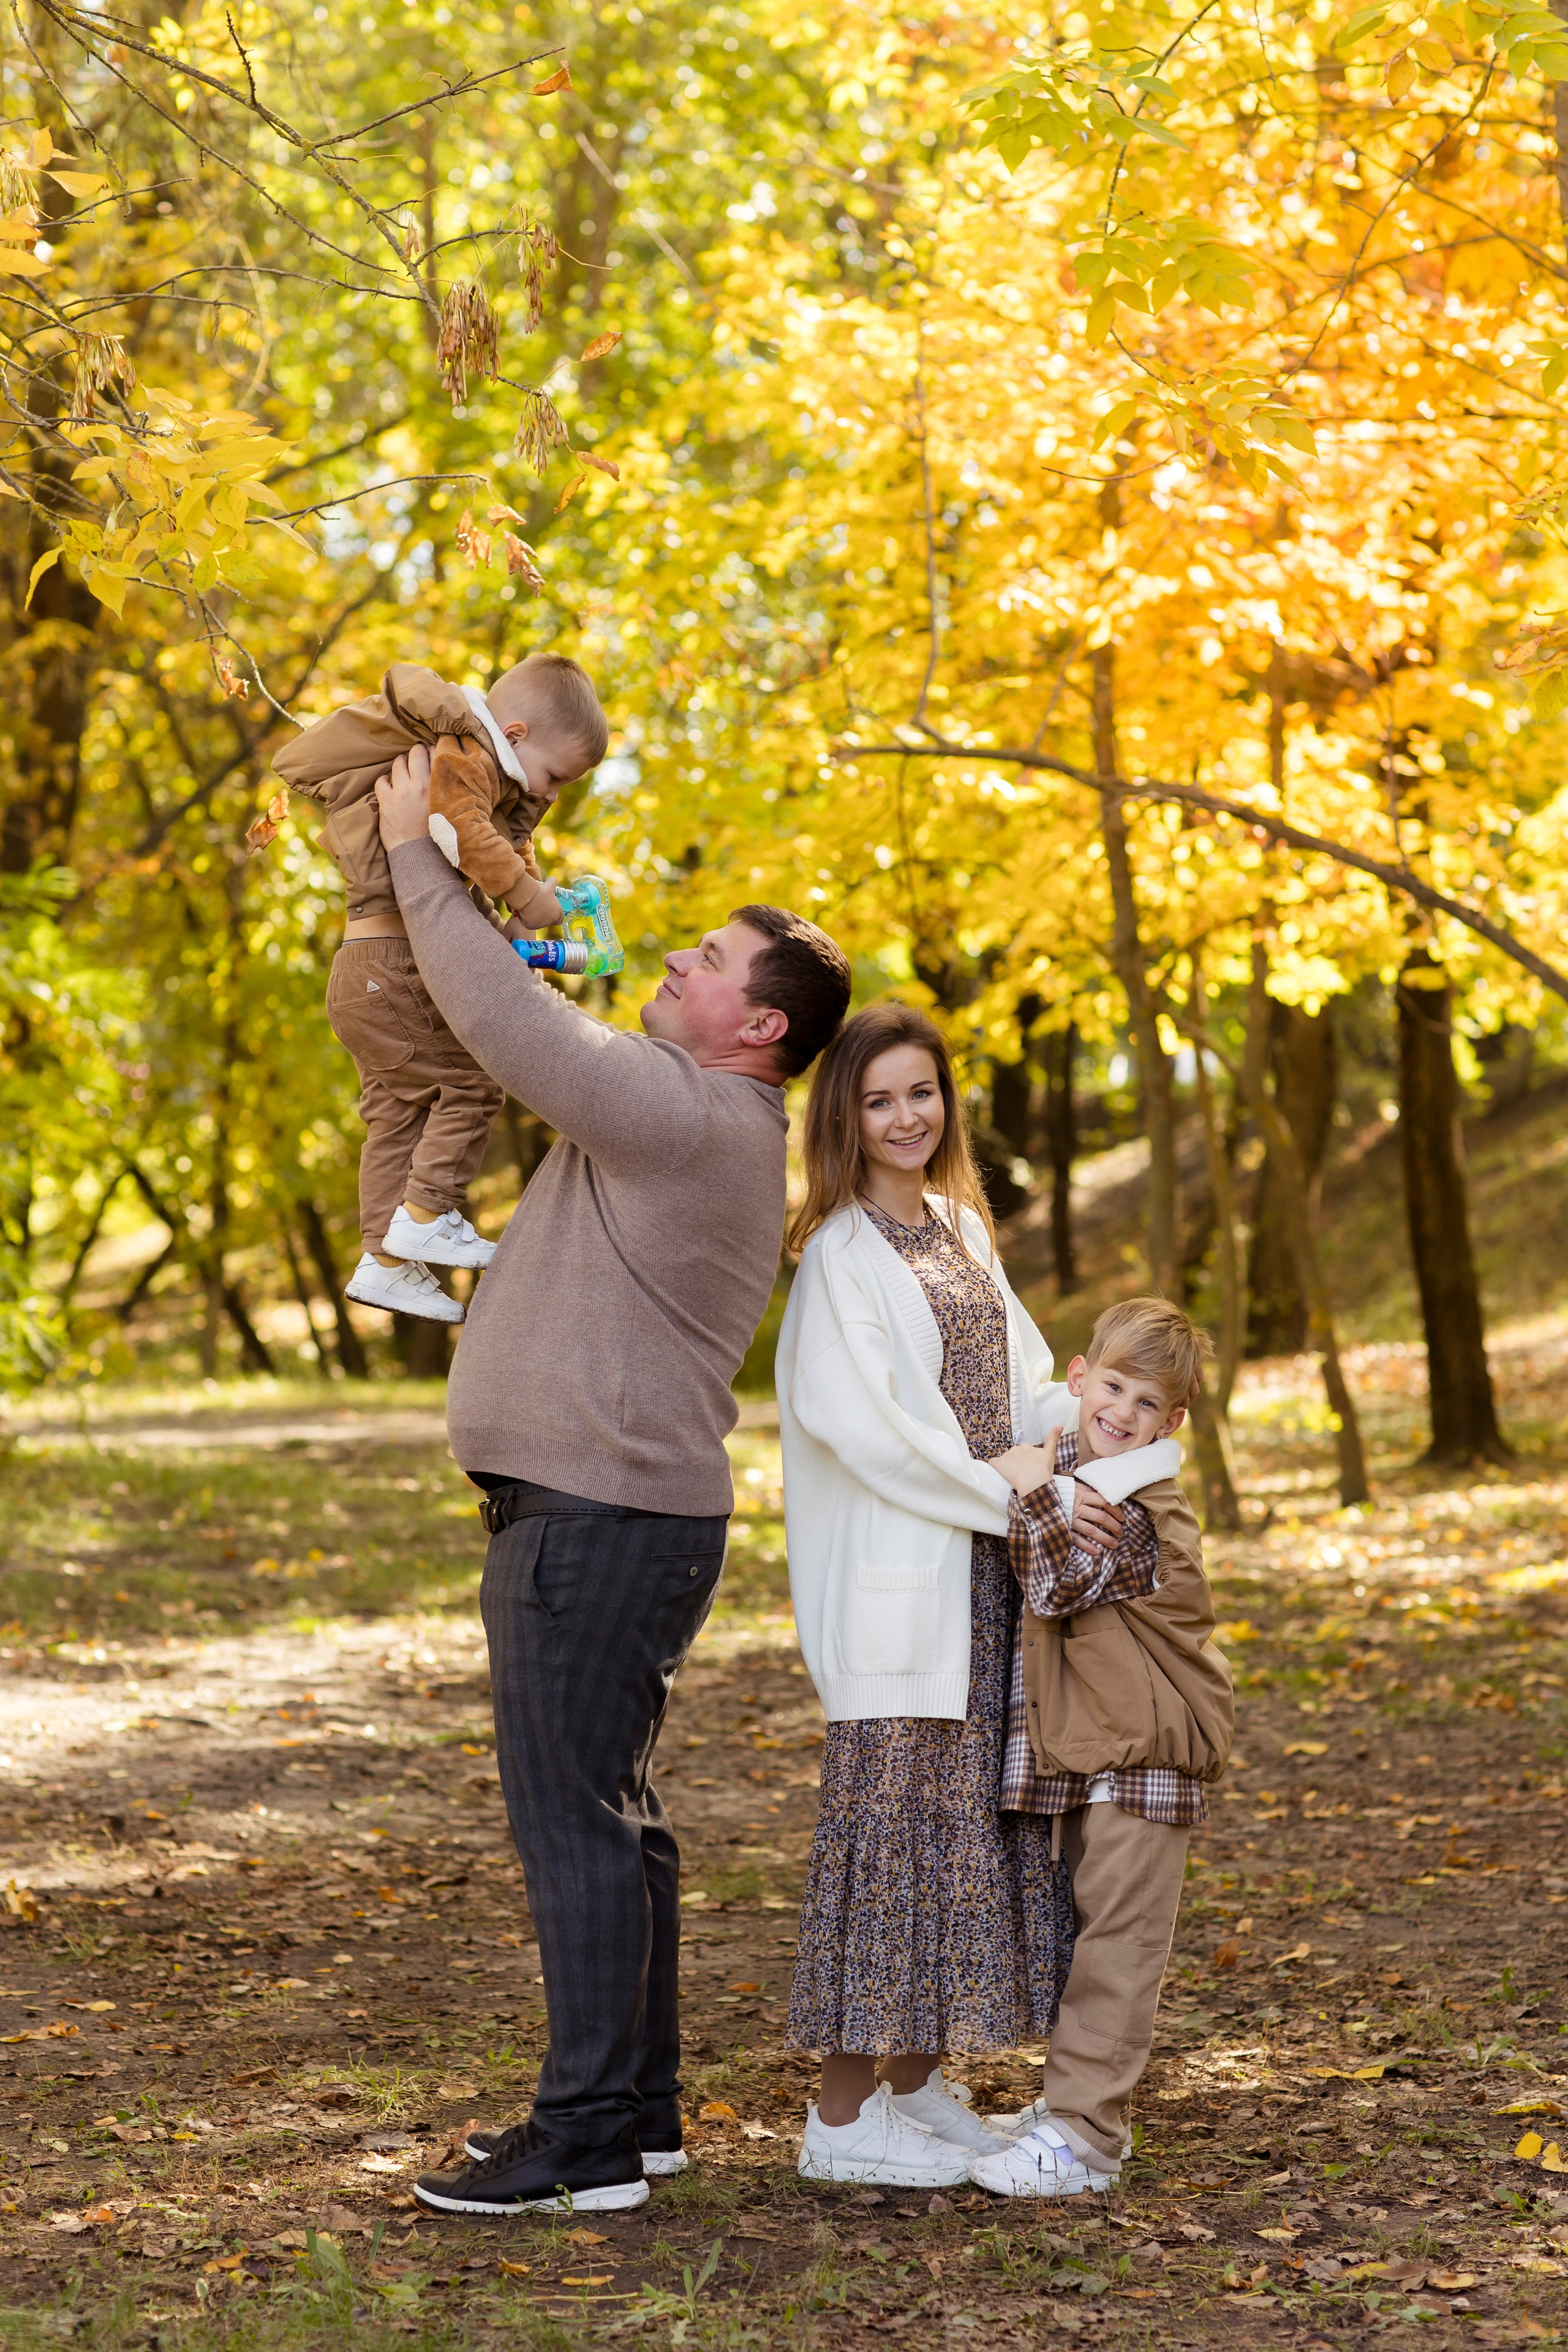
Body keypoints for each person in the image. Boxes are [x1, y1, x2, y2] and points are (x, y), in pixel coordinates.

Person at [368, 741, 852, 2217]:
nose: (680, 957)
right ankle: (633, 2119)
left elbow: (509, 1022)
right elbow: (539, 1000)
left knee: (573, 1818)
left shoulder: (690, 1112)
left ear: (755, 1025)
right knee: (615, 1813)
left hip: (595, 1520)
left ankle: (580, 2136)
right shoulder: (693, 1120)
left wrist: (407, 847)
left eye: (707, 958)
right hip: (617, 1517)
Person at [776, 1003, 1178, 2190]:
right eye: (878, 1100)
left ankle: (912, 2086)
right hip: (903, 1589)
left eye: (921, 1093)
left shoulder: (956, 1230)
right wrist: (1001, 1491)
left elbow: (1024, 1381)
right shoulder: (836, 1257)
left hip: (986, 1588)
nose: (906, 1118)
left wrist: (1093, 1430)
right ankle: (841, 2122)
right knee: (891, 1848)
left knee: (958, 1845)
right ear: (843, 1120)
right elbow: (865, 1435)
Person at [969, 1298, 1235, 2198]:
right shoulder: (1080, 1465)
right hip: (1108, 1744)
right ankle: (1070, 2107)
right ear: (1079, 1378)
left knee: (1119, 1945)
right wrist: (1039, 1476)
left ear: (1174, 1422)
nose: (1122, 1412)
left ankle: (1086, 2138)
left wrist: (1023, 1480)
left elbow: (1056, 1580)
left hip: (1152, 1750)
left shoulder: (1135, 1504)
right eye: (1113, 1387)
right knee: (1089, 1934)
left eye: (1148, 1404)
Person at [271, 653, 619, 1325]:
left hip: (365, 969)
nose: (551, 795)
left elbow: (493, 838)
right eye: (553, 777)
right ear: (514, 736)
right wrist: (521, 892)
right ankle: (430, 1215)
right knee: (471, 1084)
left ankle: (384, 1263)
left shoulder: (481, 767)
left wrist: (526, 895)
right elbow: (460, 827)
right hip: (393, 967)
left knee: (396, 1118)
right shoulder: (466, 755)